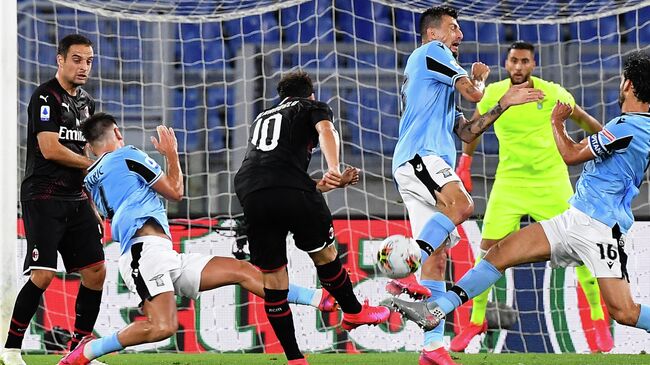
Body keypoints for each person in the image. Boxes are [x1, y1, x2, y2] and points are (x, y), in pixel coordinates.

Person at [391, 51, 650, 344]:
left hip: (602, 229)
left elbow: (571, 155)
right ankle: (434, 311)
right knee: (497, 254)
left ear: (628, 85)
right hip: (572, 218)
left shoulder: (628, 127)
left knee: (625, 312)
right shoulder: (630, 126)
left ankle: (599, 321)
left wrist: (557, 122)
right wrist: (465, 162)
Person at [58, 113, 339, 365]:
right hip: (144, 255)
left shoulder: (90, 179)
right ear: (118, 133)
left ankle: (320, 298)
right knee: (162, 327)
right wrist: (171, 154)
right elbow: (175, 191)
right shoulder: (128, 154)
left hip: (160, 253)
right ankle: (87, 352)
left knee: (242, 271)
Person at [387, 6, 544, 365]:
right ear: (432, 34)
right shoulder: (432, 52)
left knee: (439, 258)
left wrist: (499, 104)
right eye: (453, 28)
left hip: (417, 162)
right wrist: (490, 88)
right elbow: (475, 94)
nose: (460, 35)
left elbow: (468, 130)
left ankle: (432, 348)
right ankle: (404, 273)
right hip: (421, 157)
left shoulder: (436, 87)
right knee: (462, 205)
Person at [451, 41, 612, 353]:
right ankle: (476, 320)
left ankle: (596, 317)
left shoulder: (552, 92)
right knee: (486, 254)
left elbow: (582, 119)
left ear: (533, 65)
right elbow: (474, 128)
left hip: (551, 182)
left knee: (579, 250)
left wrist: (609, 144)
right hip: (509, 184)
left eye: (525, 61)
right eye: (513, 61)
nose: (519, 67)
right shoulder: (495, 93)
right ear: (506, 63)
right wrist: (465, 165)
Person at [233, 71, 390, 365]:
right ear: (311, 94)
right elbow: (327, 131)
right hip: (287, 185)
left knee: (274, 279)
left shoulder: (263, 117)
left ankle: (295, 359)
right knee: (325, 254)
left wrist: (315, 185)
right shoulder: (309, 106)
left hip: (249, 189)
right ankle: (354, 311)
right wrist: (334, 168)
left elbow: (275, 171)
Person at [0, 34, 106, 365]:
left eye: (88, 60)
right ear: (60, 60)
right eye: (77, 59)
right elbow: (50, 148)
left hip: (76, 198)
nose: (84, 66)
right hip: (43, 196)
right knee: (43, 275)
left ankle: (79, 352)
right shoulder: (45, 97)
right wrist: (92, 163)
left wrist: (93, 199)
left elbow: (88, 151)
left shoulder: (87, 103)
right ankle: (11, 348)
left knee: (96, 272)